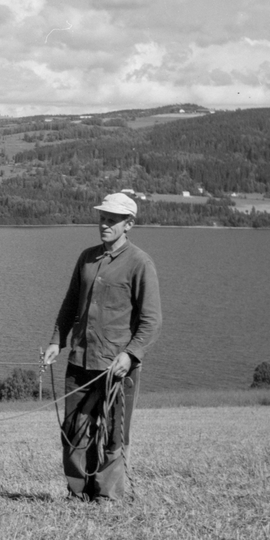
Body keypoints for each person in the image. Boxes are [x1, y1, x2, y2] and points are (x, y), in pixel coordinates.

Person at [44, 192, 161, 500]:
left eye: (112, 220)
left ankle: (107, 498)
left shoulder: (140, 263)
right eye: (102, 219)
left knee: (112, 435)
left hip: (116, 369)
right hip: (79, 361)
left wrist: (131, 354)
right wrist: (58, 340)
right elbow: (70, 304)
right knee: (73, 431)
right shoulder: (86, 257)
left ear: (129, 225)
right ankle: (78, 494)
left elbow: (151, 321)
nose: (104, 225)